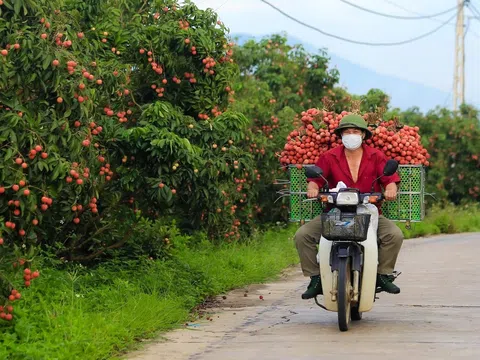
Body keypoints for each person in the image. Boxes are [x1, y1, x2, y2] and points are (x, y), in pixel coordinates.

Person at [294, 114, 404, 300]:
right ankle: (316, 278)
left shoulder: (376, 156)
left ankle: (382, 275)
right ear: (341, 135)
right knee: (302, 235)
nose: (351, 135)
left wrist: (391, 189)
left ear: (363, 135)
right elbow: (314, 181)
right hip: (335, 212)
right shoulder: (329, 157)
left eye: (355, 132)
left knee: (394, 235)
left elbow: (390, 180)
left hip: (367, 211)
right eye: (347, 132)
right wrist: (312, 189)